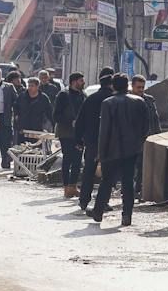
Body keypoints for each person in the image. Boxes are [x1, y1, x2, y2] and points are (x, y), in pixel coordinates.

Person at [90, 74, 151, 227]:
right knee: (128, 182)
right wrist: (138, 143)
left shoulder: (108, 103)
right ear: (128, 85)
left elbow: (104, 131)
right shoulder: (139, 102)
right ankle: (126, 215)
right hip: (132, 150)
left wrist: (101, 152)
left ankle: (98, 212)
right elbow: (145, 128)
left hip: (111, 149)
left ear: (113, 86)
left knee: (107, 181)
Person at [74, 67, 113, 211]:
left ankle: (84, 200)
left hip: (92, 141)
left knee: (89, 171)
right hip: (109, 142)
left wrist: (78, 140)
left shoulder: (90, 99)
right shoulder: (112, 100)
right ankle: (103, 202)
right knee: (108, 173)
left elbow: (80, 121)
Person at [53, 73, 86, 194]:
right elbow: (56, 115)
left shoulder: (83, 95)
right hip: (66, 132)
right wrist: (70, 121)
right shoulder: (63, 95)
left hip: (79, 133)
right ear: (74, 82)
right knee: (68, 158)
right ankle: (66, 186)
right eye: (81, 80)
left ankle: (73, 185)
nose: (83, 82)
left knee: (78, 160)